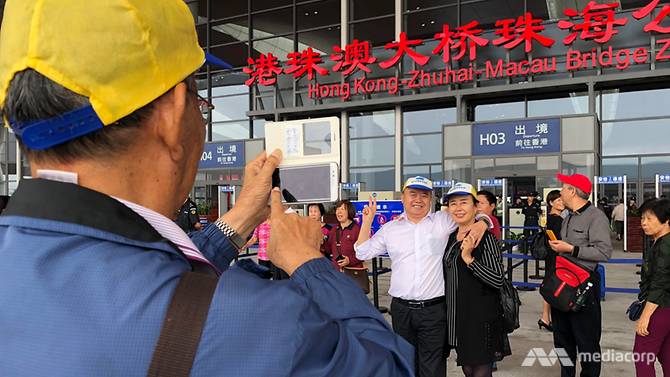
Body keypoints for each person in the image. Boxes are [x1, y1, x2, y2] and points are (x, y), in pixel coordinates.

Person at [0, 1, 415, 375]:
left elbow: (145, 279)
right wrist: (308, 261)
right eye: (200, 101)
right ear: (173, 115)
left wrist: (242, 216)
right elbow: (389, 366)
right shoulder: (262, 325)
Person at [355, 176, 492, 377]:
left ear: (431, 200)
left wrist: (483, 222)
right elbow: (362, 252)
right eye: (413, 194)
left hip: (434, 311)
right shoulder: (390, 229)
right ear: (403, 198)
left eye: (424, 195)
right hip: (401, 311)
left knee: (433, 367)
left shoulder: (442, 221)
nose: (418, 199)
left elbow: (468, 215)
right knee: (406, 365)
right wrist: (368, 221)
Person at [549, 173, 613, 377]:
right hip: (563, 285)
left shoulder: (596, 217)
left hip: (584, 286)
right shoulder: (568, 217)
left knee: (587, 343)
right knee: (562, 339)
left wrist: (570, 248)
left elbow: (604, 252)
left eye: (563, 187)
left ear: (573, 191)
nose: (560, 192)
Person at [443, 183, 511, 377]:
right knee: (467, 369)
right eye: (453, 203)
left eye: (464, 202)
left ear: (475, 207)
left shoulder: (485, 238)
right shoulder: (450, 237)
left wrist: (468, 259)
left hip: (481, 319)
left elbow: (497, 279)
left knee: (480, 372)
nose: (458, 208)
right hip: (459, 317)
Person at [634, 198, 670, 377]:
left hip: (661, 308)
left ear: (667, 220)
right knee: (667, 355)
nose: (644, 223)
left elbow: (660, 282)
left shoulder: (665, 245)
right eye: (642, 218)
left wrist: (645, 316)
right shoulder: (658, 242)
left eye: (649, 218)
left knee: (642, 356)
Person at [538, 189, 565, 332]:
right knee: (553, 286)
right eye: (558, 200)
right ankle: (548, 318)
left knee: (549, 283)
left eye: (562, 200)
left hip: (550, 255)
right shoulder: (558, 220)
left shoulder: (547, 219)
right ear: (551, 203)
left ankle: (545, 317)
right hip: (557, 256)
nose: (562, 202)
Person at [324, 200, 363, 270]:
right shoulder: (334, 230)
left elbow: (363, 253)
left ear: (349, 211)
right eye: (337, 209)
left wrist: (350, 260)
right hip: (337, 273)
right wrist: (321, 241)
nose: (339, 212)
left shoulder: (357, 229)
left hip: (353, 273)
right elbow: (328, 250)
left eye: (342, 209)